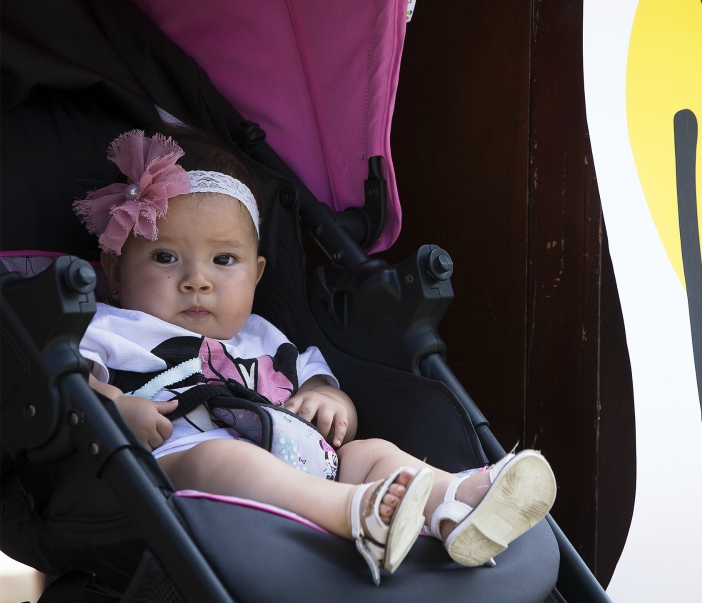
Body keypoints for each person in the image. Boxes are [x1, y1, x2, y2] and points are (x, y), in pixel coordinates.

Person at [76, 127, 557, 584]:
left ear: (257, 273)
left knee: (370, 453)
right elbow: (65, 381)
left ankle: (456, 502)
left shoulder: (264, 336)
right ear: (115, 269)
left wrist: (330, 401)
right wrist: (109, 406)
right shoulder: (108, 328)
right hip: (182, 475)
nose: (197, 280)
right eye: (165, 257)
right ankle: (360, 513)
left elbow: (320, 385)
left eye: (224, 260)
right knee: (220, 458)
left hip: (302, 458)